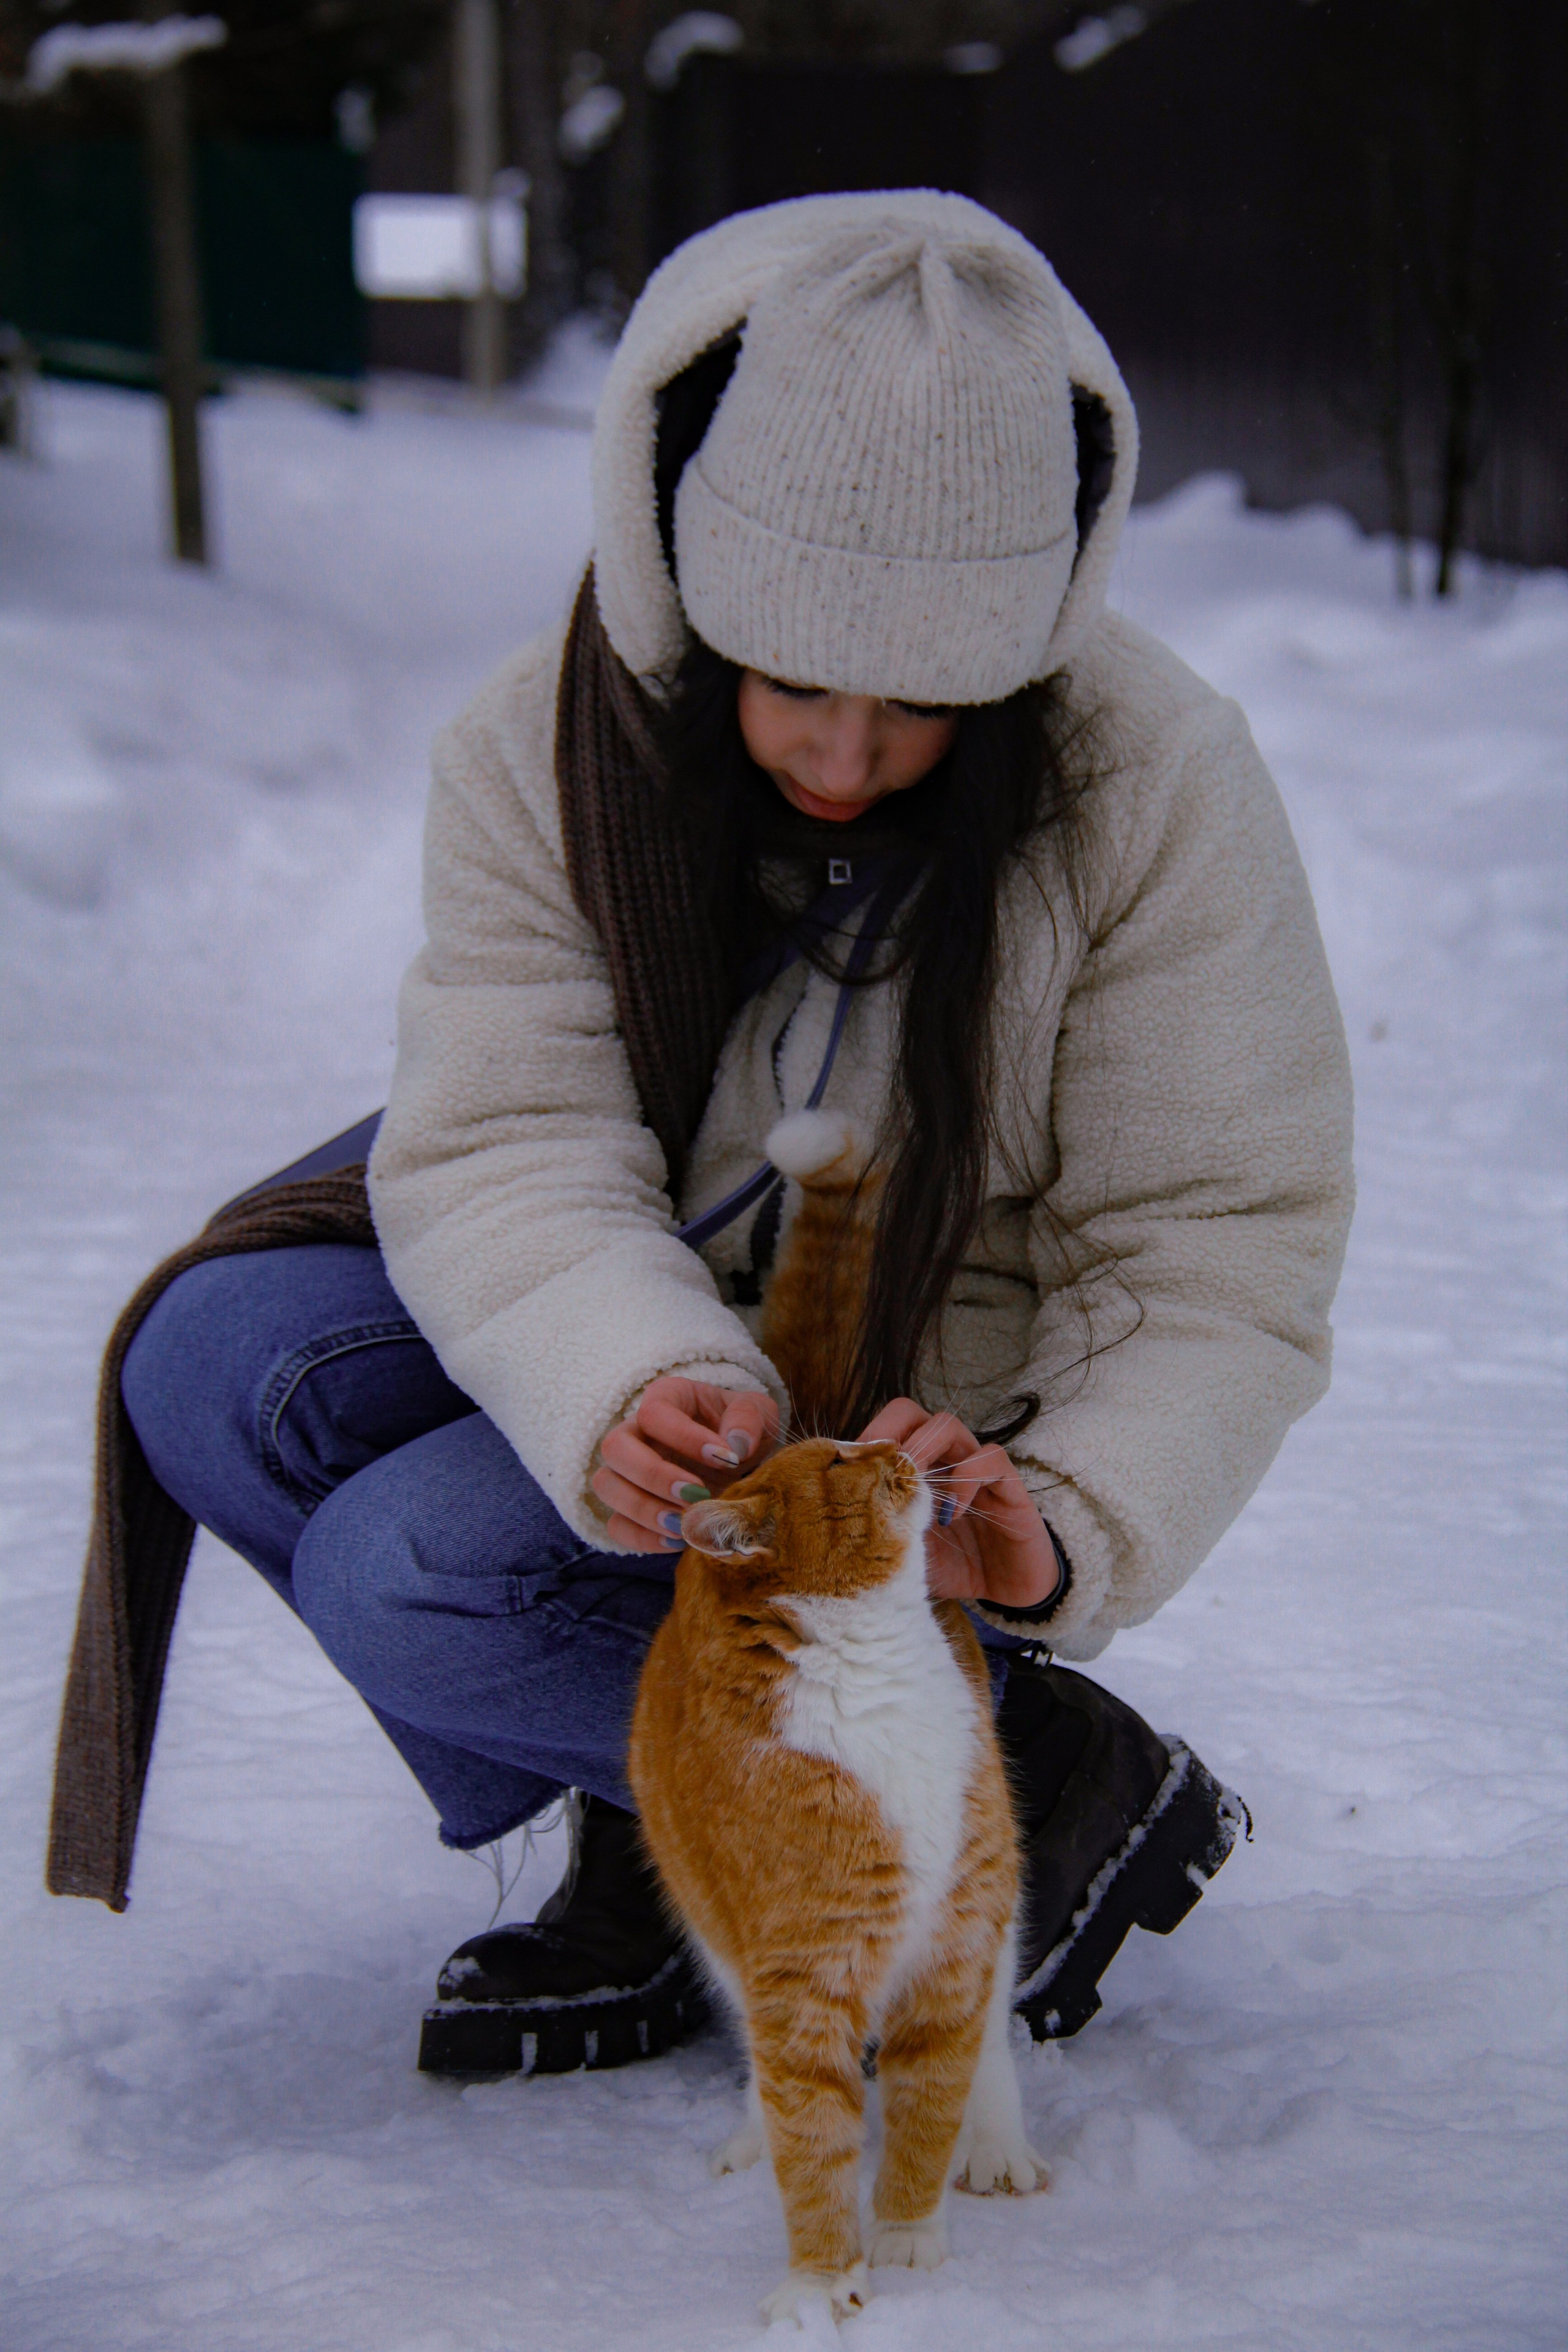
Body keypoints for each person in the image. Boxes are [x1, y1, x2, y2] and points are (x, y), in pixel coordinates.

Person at [117, 192, 1353, 2074]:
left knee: (416, 1571)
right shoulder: (547, 742)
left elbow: (1216, 1245)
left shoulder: (1155, 788)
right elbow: (508, 1123)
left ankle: (1021, 1769)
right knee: (219, 1362)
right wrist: (624, 1380)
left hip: (917, 1424)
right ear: (685, 584)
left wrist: (1055, 1525)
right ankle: (654, 1837)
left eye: (923, 701)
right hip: (677, 1324)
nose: (842, 759)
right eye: (789, 678)